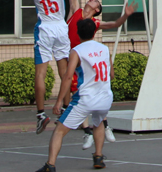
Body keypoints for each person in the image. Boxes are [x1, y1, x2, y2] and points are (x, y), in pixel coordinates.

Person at [35, 18, 115, 171]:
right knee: (98, 122)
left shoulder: (77, 51)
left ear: (78, 33)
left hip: (85, 99)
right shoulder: (105, 49)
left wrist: (59, 101)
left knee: (59, 131)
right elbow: (111, 75)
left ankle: (50, 165)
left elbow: (67, 76)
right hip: (105, 97)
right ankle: (98, 157)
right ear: (94, 33)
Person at [66, 0, 138, 148]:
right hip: (74, 59)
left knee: (95, 93)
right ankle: (87, 132)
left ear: (97, 9)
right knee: (78, 96)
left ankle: (105, 126)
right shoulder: (76, 10)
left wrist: (125, 15)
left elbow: (115, 24)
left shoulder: (95, 23)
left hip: (88, 62)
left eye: (95, 1)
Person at [27, 0, 80, 134]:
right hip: (60, 28)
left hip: (45, 29)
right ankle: (66, 108)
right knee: (64, 71)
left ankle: (41, 114)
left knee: (40, 73)